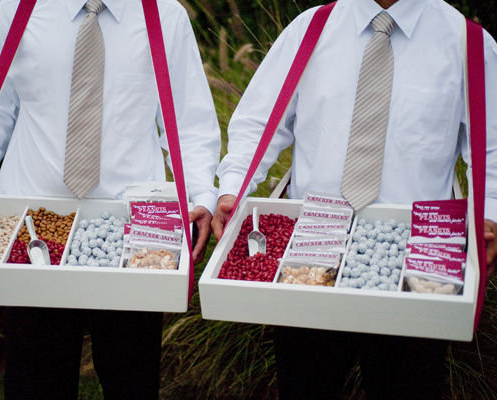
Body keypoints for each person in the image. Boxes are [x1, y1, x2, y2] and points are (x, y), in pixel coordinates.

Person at [211, 0, 497, 399]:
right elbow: (261, 120)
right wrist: (233, 188)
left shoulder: (468, 42)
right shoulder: (312, 28)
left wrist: (492, 214)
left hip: (417, 265)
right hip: (308, 258)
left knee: (410, 386)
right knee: (306, 384)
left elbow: (493, 147)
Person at [0, 0, 221, 398]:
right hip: (33, 229)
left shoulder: (163, 15)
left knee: (132, 382)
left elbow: (190, 121)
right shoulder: (17, 11)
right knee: (35, 381)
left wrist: (200, 195)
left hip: (134, 233)